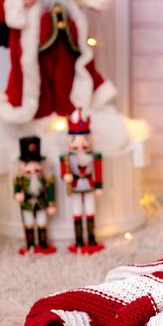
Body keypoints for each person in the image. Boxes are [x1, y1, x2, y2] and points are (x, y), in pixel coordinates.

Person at [60, 108, 104, 254]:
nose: (80, 144)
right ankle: (79, 239)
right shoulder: (66, 158)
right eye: (75, 140)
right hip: (76, 186)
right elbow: (64, 171)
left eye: (84, 139)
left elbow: (98, 172)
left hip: (89, 185)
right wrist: (66, 176)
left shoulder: (94, 156)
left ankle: (91, 237)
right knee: (77, 210)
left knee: (90, 210)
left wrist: (98, 186)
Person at [13, 135, 56, 255]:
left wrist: (51, 203)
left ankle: (43, 243)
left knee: (42, 222)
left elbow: (50, 190)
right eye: (28, 164)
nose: (33, 168)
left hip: (41, 203)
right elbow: (16, 188)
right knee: (29, 223)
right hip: (27, 204)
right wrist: (17, 194)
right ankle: (30, 244)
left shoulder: (45, 179)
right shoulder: (20, 180)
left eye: (36, 164)